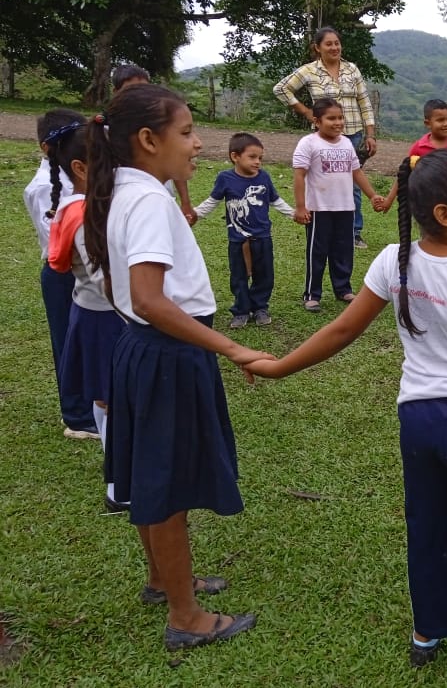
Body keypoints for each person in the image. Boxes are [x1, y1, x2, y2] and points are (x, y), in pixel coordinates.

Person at [246, 148, 447, 687]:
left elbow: (341, 332)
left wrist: (281, 367)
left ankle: (426, 635)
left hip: (416, 421)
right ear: (446, 214)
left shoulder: (391, 262)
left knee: (425, 528)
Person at [83, 83, 269, 650]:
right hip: (166, 354)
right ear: (147, 139)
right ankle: (186, 617)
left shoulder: (124, 193)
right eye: (186, 132)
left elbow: (121, 289)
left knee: (150, 476)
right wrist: (230, 347)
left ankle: (166, 580)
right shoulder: (147, 201)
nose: (197, 144)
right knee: (167, 485)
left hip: (145, 350)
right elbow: (149, 298)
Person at [44, 119, 129, 510]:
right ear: (81, 168)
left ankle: (119, 475)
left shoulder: (83, 206)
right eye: (108, 160)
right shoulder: (82, 214)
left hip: (97, 315)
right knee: (112, 400)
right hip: (105, 318)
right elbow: (100, 278)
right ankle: (119, 485)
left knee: (106, 397)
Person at [23, 108, 97, 438]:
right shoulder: (43, 188)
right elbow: (60, 240)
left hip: (84, 269)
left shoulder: (78, 177)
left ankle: (90, 406)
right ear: (48, 148)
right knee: (67, 343)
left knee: (84, 341)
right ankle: (77, 417)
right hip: (63, 273)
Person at [274, 26, 378, 249]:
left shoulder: (352, 69)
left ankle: (353, 231)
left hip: (354, 134)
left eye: (337, 43)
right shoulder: (310, 71)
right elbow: (281, 89)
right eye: (328, 44)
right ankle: (323, 225)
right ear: (317, 48)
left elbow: (364, 102)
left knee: (352, 183)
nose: (334, 47)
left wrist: (370, 134)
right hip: (324, 137)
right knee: (324, 180)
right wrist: (306, 111)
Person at [192, 132, 295, 328]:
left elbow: (275, 201)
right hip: (238, 240)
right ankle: (241, 310)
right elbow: (212, 202)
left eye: (260, 158)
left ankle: (260, 308)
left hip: (262, 238)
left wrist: (294, 214)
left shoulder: (264, 177)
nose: (258, 162)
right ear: (235, 156)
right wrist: (195, 214)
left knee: (264, 276)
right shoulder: (225, 178)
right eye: (252, 157)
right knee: (238, 276)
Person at [292, 97, 382, 312]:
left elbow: (356, 172)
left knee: (343, 250)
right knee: (318, 251)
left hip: (345, 208)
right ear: (316, 121)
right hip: (319, 209)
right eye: (331, 118)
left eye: (340, 117)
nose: (338, 122)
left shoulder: (345, 143)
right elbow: (299, 175)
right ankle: (312, 294)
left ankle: (343, 289)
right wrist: (301, 207)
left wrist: (372, 195)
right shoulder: (308, 143)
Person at [111, 63, 196, 225]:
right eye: (186, 133)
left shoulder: (160, 124)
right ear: (147, 139)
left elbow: (175, 161)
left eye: (144, 90)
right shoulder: (108, 131)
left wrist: (185, 202)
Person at [376, 98, 447, 212]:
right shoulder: (419, 148)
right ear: (427, 123)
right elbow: (404, 175)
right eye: (440, 120)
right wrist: (389, 200)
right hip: (427, 204)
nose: (446, 124)